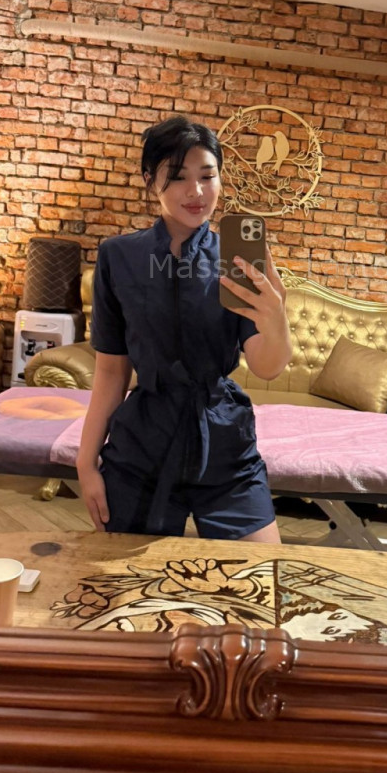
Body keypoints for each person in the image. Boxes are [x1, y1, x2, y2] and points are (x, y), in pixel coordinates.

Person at [76, 115, 292, 543]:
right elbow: (111, 371)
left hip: (225, 443)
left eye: (207, 176)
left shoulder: (236, 259)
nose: (196, 191)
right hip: (142, 447)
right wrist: (85, 463)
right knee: (125, 582)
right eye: (177, 176)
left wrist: (277, 319)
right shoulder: (119, 257)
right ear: (150, 181)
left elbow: (267, 367)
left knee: (259, 578)